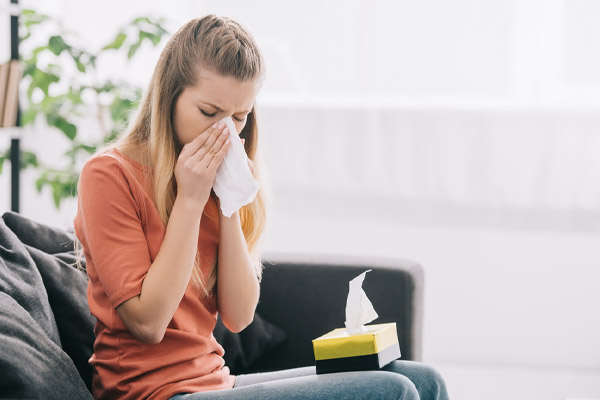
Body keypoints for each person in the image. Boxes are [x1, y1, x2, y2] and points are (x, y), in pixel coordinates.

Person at [73, 15, 450, 400]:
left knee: (423, 380)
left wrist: (229, 203)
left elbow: (238, 317)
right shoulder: (108, 175)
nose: (225, 133)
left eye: (239, 117)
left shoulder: (215, 183)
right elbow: (149, 324)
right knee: (392, 391)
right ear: (169, 96)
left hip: (213, 381)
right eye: (208, 113)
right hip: (148, 393)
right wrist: (190, 199)